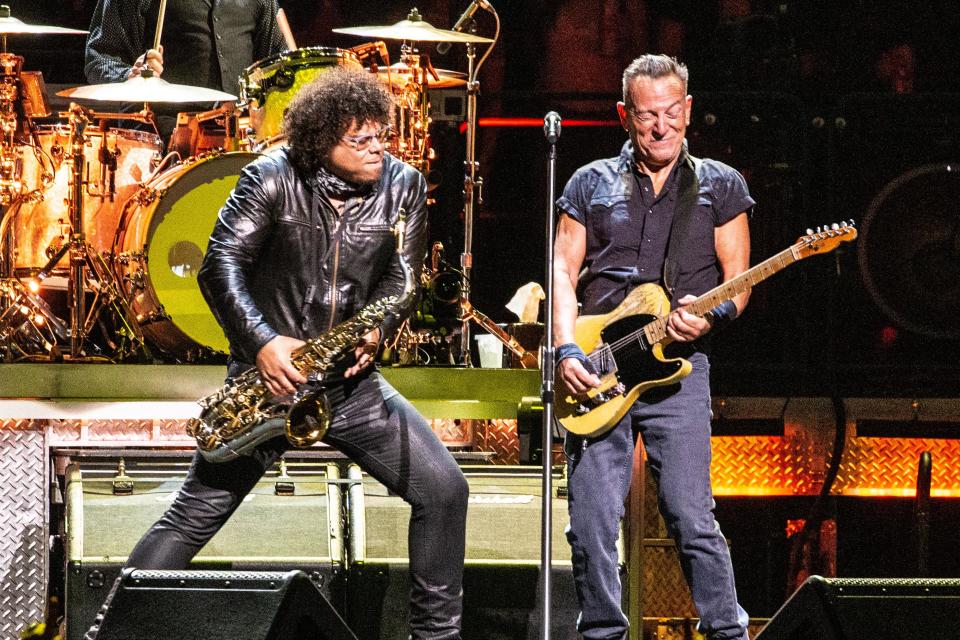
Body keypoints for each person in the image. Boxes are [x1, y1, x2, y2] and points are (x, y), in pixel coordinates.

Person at [85, 68, 468, 640]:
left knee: (445, 491)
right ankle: (111, 631)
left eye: (381, 136)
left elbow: (404, 278)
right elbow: (220, 268)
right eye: (360, 140)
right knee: (193, 517)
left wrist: (379, 327)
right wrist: (262, 343)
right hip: (272, 384)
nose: (377, 150)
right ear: (320, 141)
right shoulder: (270, 177)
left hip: (351, 386)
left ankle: (436, 637)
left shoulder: (404, 184)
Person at [553, 54, 753, 640]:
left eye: (671, 113)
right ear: (624, 115)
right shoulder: (589, 183)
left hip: (678, 369)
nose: (660, 127)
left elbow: (738, 280)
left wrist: (710, 318)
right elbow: (563, 273)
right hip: (598, 366)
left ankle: (726, 633)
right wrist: (565, 349)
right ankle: (602, 635)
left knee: (692, 517)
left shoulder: (720, 184)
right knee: (590, 524)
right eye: (646, 116)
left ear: (688, 110)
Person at [83, 0, 285, 138]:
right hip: (163, 135)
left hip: (240, 135)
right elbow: (99, 58)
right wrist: (132, 75)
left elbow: (280, 64)